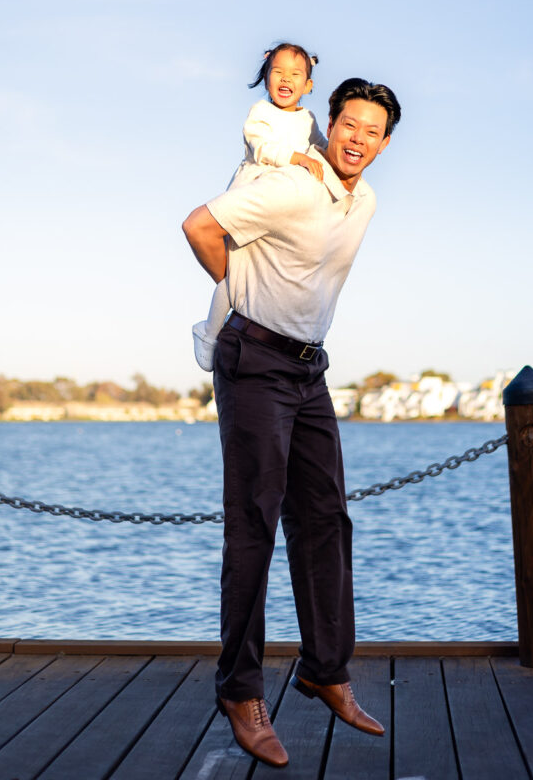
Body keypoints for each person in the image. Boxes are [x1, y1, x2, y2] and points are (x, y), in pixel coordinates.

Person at [182, 76, 401, 768]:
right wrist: (238, 297)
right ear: (326, 124)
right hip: (255, 360)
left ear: (384, 142)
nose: (357, 139)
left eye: (372, 130)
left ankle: (324, 670)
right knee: (254, 523)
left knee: (326, 518)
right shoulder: (291, 185)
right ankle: (239, 690)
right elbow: (199, 225)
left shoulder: (360, 198)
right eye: (348, 124)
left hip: (309, 369)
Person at [192, 42, 326, 373]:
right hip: (252, 189)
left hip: (284, 204)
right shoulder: (260, 112)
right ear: (266, 76)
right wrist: (296, 158)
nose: (285, 79)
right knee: (235, 275)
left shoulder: (308, 119)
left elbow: (321, 148)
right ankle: (209, 332)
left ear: (308, 85)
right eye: (277, 71)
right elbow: (261, 146)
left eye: (295, 74)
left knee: (266, 274)